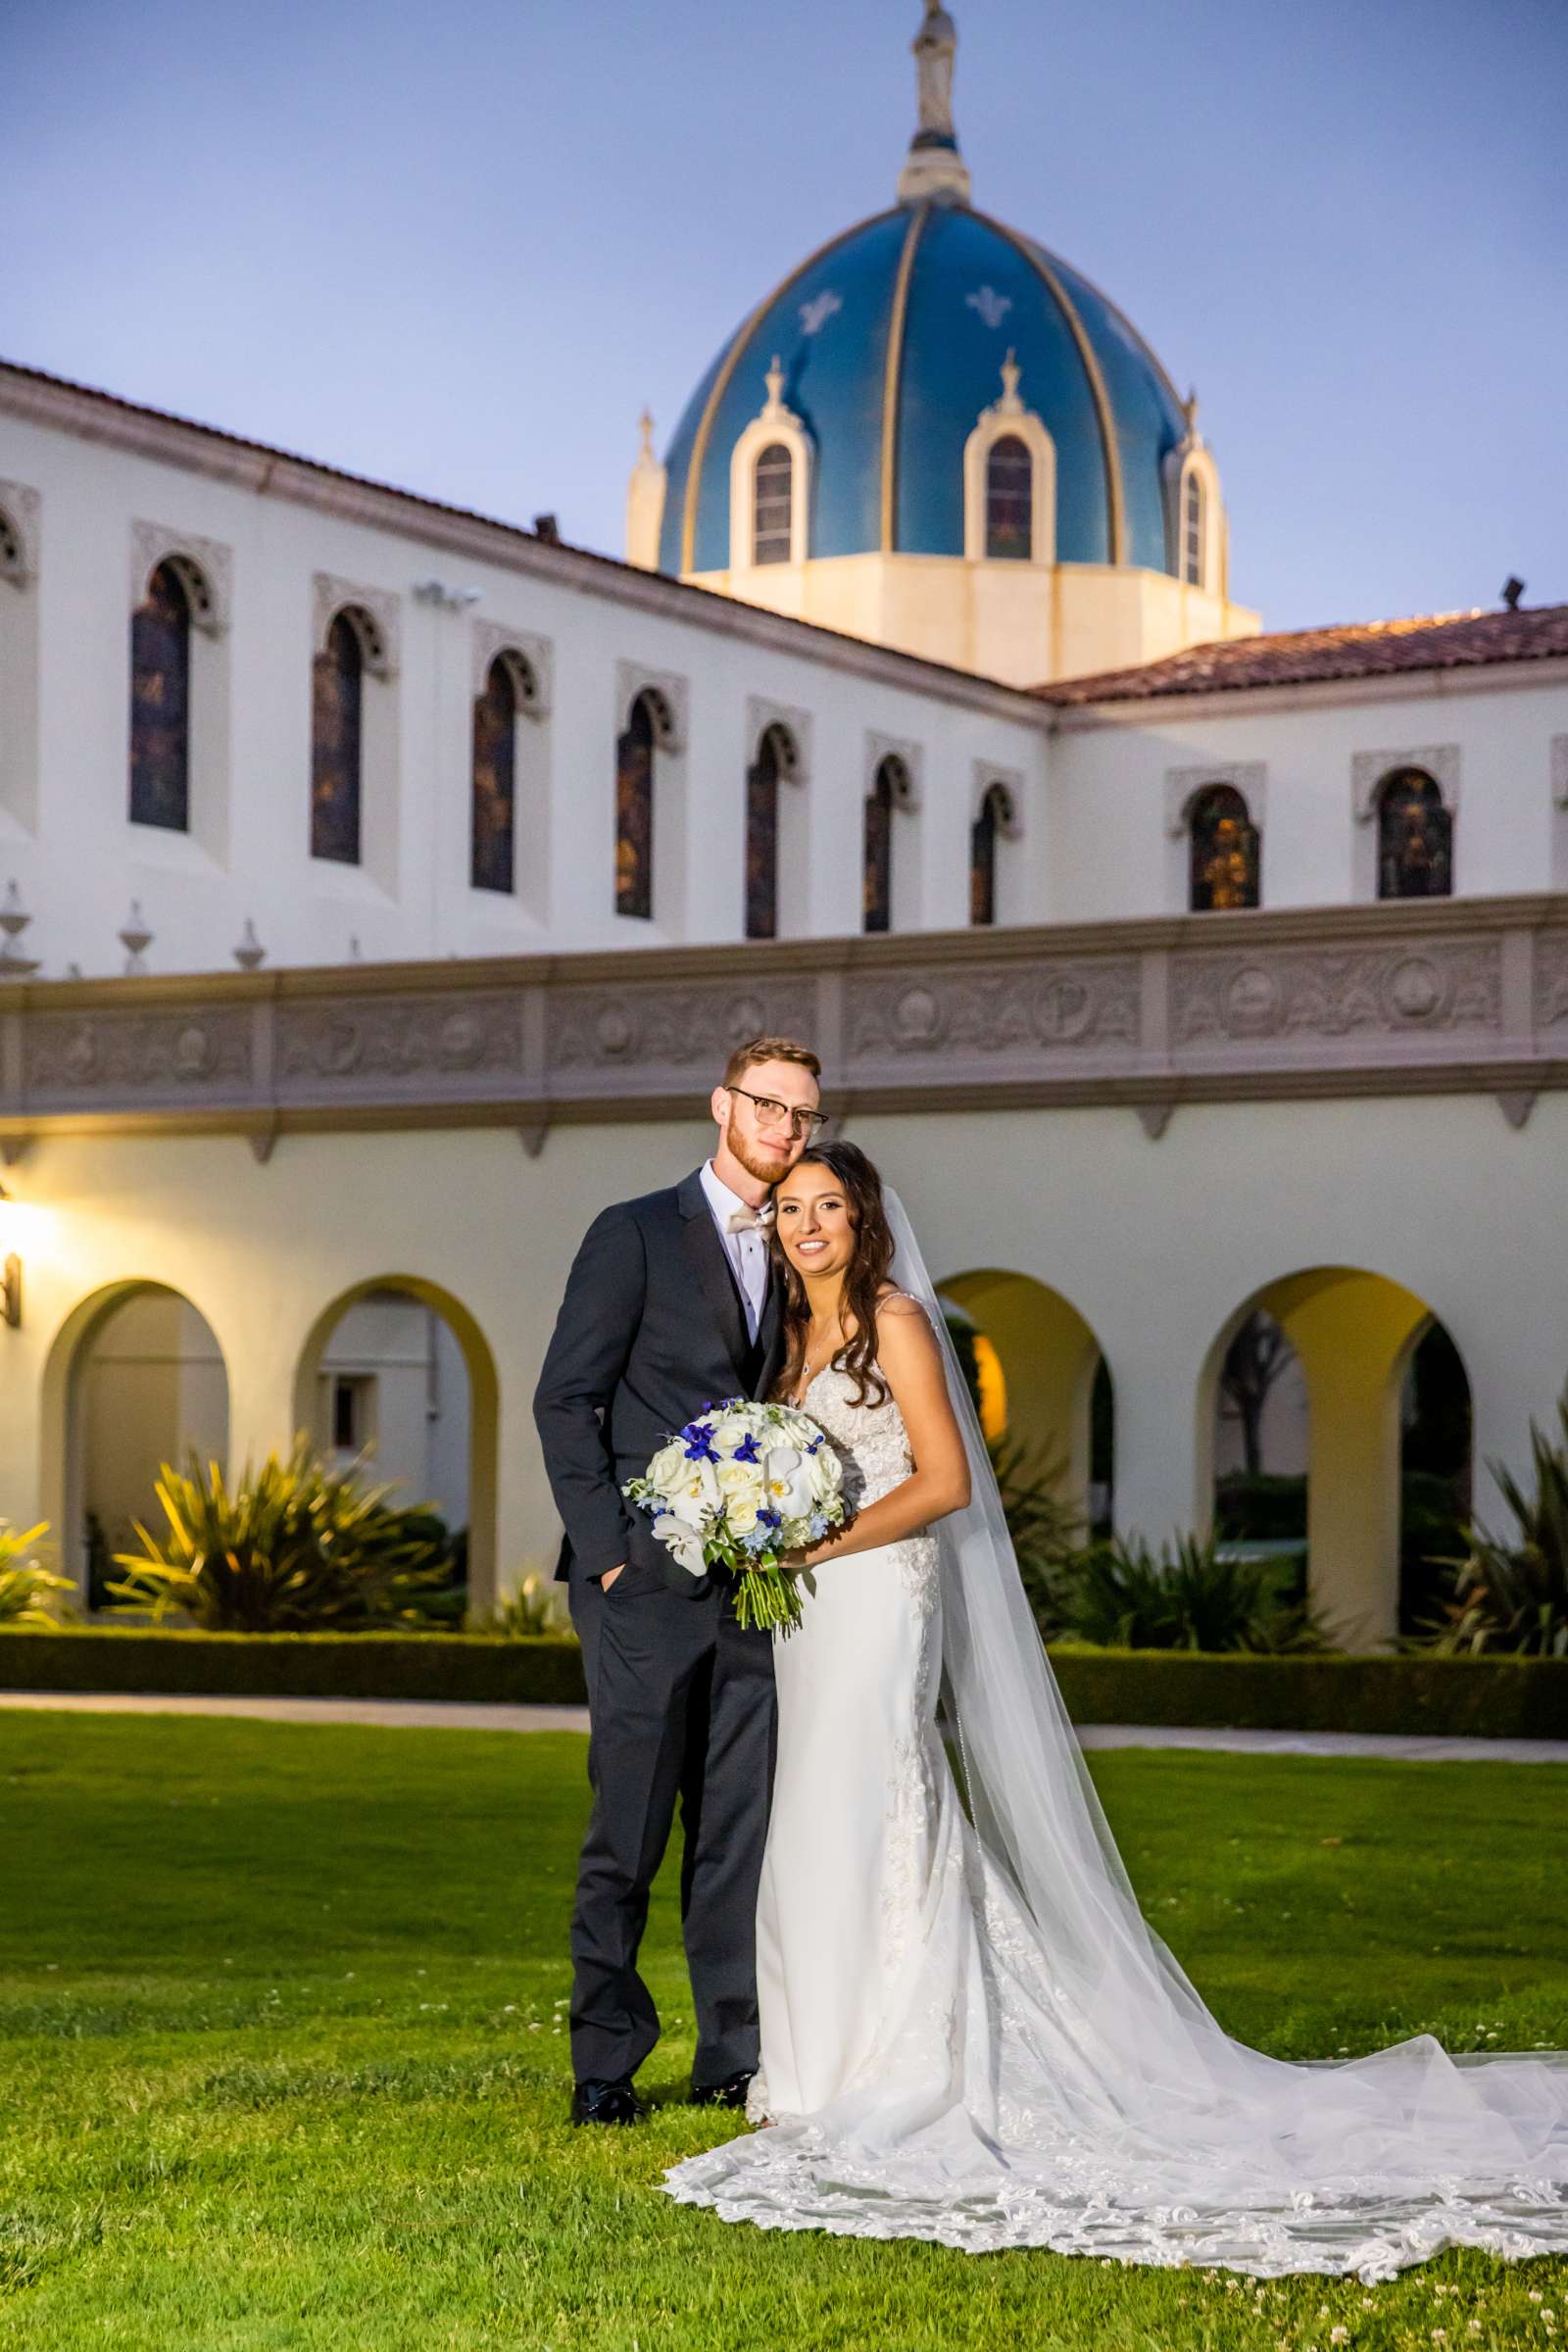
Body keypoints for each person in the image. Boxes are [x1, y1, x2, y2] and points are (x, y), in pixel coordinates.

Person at [662, 1140, 1568, 2279]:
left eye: (827, 1207)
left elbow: (942, 1480)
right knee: (809, 1816)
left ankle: (897, 2066)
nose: (806, 1226)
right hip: (807, 1612)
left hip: (879, 1599)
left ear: (863, 1219)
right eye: (790, 1209)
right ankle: (808, 2072)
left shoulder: (893, 1320)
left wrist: (817, 1539)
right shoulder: (786, 1337)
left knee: (875, 1801)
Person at [532, 1037, 826, 2127]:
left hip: (757, 1592)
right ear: (721, 1105)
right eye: (767, 1105)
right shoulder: (635, 1233)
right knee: (630, 1831)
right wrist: (610, 1551)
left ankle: (731, 2058)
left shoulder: (803, 1244)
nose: (784, 1129)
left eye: (802, 1113)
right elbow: (567, 1398)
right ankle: (605, 2064)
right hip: (641, 1589)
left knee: (736, 1833)